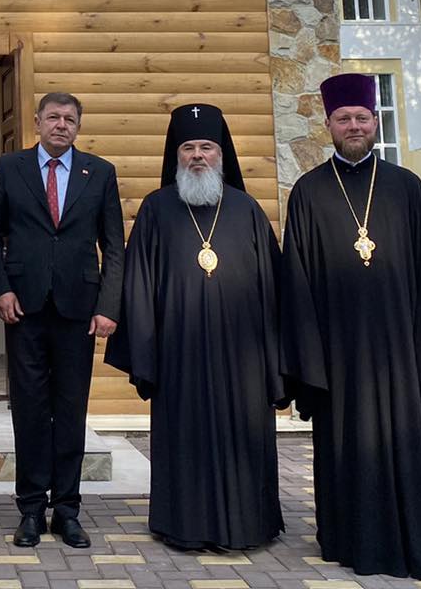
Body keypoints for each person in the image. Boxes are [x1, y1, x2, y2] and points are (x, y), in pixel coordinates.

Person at [280, 73, 421, 581]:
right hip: (339, 354)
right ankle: (352, 541)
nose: (354, 126)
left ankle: (419, 540)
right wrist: (309, 359)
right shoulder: (308, 192)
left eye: (362, 118)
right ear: (328, 125)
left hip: (402, 352)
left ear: (375, 122)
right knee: (345, 445)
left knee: (410, 441)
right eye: (344, 118)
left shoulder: (405, 187)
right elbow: (297, 281)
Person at [104, 103, 283, 552]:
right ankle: (181, 525)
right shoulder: (156, 209)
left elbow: (274, 290)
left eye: (206, 147)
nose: (198, 155)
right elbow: (138, 287)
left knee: (243, 439)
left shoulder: (247, 210)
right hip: (178, 356)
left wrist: (272, 359)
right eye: (188, 147)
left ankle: (249, 524)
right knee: (184, 441)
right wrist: (146, 353)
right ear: (176, 154)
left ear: (222, 154)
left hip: (242, 360)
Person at [0, 92, 122, 548]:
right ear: (38, 122)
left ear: (79, 126)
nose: (61, 125)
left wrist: (108, 306)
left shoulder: (100, 172)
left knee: (70, 410)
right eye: (53, 117)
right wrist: (0, 289)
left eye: (70, 119)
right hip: (24, 308)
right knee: (30, 411)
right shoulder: (11, 168)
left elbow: (114, 246)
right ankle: (29, 509)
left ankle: (66, 510)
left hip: (79, 310)